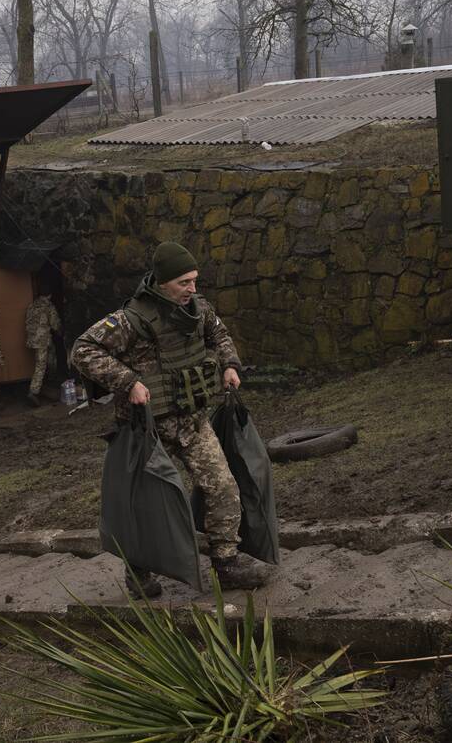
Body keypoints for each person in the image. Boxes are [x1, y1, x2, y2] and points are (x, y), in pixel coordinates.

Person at [71, 241, 270, 597]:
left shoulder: (198, 309)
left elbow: (219, 334)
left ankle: (226, 561)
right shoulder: (130, 320)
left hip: (192, 418)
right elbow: (83, 350)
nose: (192, 288)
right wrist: (129, 381)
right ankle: (138, 572)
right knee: (148, 504)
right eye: (184, 282)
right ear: (163, 282)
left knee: (222, 486)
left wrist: (229, 365)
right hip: (147, 428)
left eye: (194, 280)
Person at [24, 287, 62, 406]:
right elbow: (55, 324)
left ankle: (44, 385)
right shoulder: (48, 306)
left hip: (32, 340)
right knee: (41, 365)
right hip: (42, 341)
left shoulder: (31, 306)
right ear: (49, 295)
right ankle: (34, 391)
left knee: (45, 362)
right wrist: (60, 332)